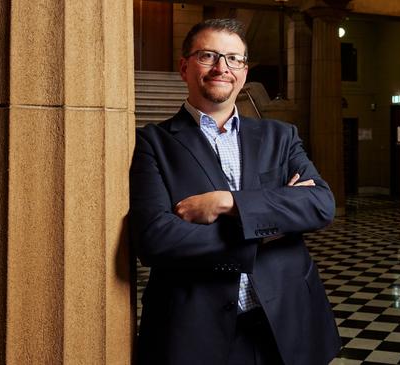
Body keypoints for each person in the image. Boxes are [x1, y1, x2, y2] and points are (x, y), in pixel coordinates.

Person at [129, 18, 341, 365]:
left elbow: (320, 204)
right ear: (184, 67)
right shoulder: (153, 143)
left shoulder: (280, 136)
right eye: (208, 56)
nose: (221, 68)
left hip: (288, 322)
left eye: (233, 59)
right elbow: (155, 238)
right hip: (198, 332)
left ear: (244, 71)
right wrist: (267, 227)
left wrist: (229, 203)